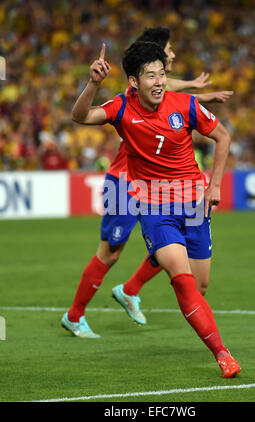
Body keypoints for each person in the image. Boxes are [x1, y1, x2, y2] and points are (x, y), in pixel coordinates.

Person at [66, 40, 241, 378]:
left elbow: (223, 136)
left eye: (163, 74)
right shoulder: (121, 107)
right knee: (182, 280)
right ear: (134, 81)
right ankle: (223, 354)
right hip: (155, 205)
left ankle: (130, 289)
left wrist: (215, 184)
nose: (160, 81)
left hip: (192, 204)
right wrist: (93, 83)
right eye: (151, 76)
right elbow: (82, 116)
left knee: (200, 285)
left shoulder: (184, 105)